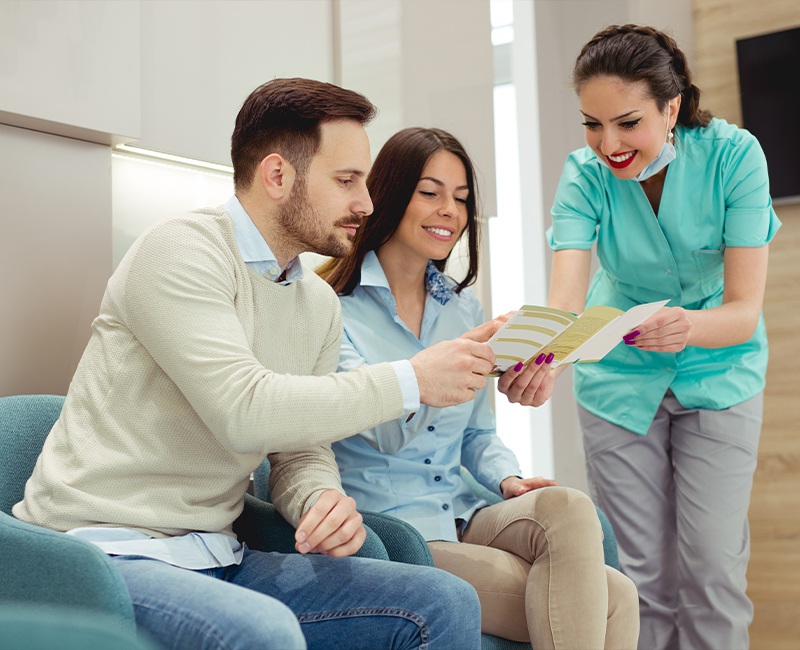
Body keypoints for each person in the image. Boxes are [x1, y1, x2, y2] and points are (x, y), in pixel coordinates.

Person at [12, 78, 492, 650]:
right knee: (261, 631)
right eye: (346, 181)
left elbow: (300, 448)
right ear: (277, 176)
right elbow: (245, 410)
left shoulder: (314, 302)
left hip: (218, 553)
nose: (366, 202)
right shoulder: (181, 251)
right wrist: (412, 379)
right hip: (103, 552)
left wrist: (317, 499)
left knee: (442, 600)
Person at [317, 126, 640, 650]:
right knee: (616, 598)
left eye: (462, 198)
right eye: (431, 192)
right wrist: (444, 363)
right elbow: (383, 433)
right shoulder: (330, 307)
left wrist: (507, 478)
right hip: (396, 530)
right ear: (390, 194)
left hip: (465, 508)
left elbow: (477, 435)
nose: (450, 209)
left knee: (570, 507)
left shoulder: (462, 307)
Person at [546, 24, 782, 650]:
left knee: (713, 571)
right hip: (618, 378)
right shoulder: (583, 175)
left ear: (671, 106)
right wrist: (538, 354)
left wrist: (687, 328)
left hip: (719, 370)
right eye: (592, 125)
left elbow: (742, 312)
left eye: (627, 123)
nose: (609, 144)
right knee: (638, 580)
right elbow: (565, 304)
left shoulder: (735, 157)